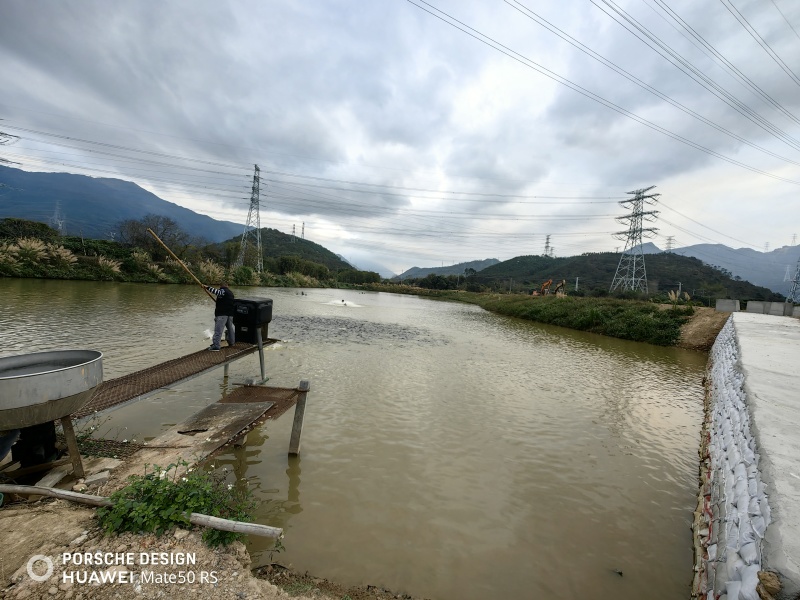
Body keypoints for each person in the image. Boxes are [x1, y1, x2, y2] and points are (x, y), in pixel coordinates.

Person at [204, 282, 236, 351]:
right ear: (228, 286)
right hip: (230, 315)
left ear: (221, 286)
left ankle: (216, 346)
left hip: (222, 314)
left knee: (218, 330)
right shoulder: (230, 293)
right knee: (230, 329)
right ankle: (232, 342)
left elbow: (217, 292)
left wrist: (207, 287)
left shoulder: (223, 291)